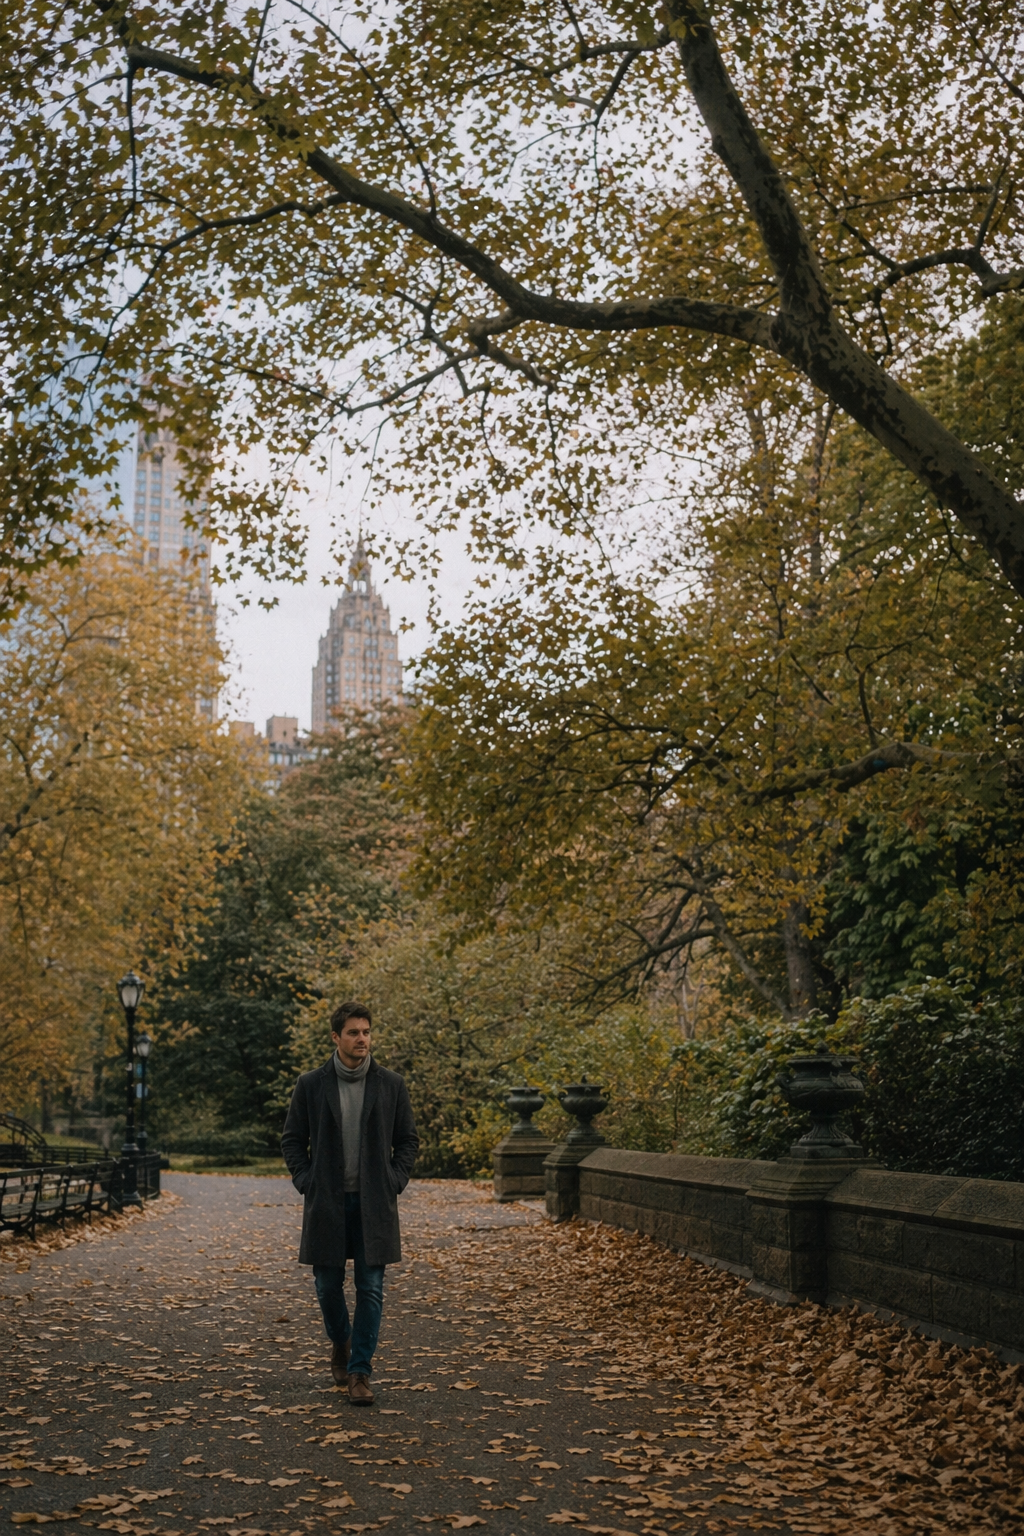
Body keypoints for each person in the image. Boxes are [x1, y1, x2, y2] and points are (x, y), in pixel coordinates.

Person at [281, 1000, 419, 1405]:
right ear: (335, 1037)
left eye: (367, 1032)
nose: (362, 1039)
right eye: (354, 1032)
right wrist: (306, 1182)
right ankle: (341, 1340)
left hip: (375, 1203)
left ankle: (360, 1371)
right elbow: (292, 1139)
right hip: (327, 1202)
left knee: (370, 1288)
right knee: (327, 1287)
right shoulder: (311, 1084)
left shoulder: (391, 1084)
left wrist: (395, 1180)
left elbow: (408, 1140)